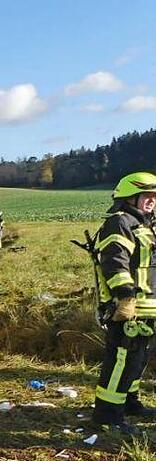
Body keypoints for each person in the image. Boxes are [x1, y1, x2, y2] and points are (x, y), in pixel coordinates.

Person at [91, 171, 156, 435]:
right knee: (121, 360)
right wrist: (125, 298)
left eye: (155, 196)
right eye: (147, 196)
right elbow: (114, 263)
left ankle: (129, 403)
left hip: (148, 307)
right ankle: (107, 416)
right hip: (127, 309)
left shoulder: (147, 225)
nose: (151, 200)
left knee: (138, 360)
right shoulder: (120, 222)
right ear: (130, 197)